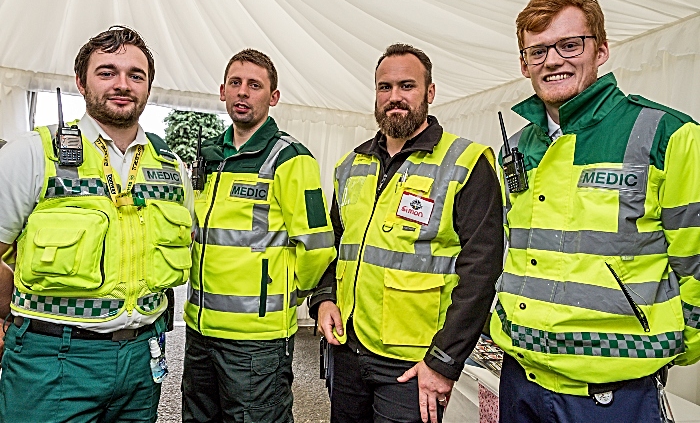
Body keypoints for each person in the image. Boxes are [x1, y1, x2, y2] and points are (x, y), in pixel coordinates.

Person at [491, 0, 700, 422]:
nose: (552, 60)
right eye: (537, 50)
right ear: (524, 63)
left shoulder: (667, 134)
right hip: (520, 378)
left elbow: (695, 258)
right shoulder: (513, 148)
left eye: (569, 44)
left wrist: (675, 343)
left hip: (612, 394)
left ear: (601, 50)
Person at [0, 26, 194, 422]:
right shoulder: (34, 154)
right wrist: (11, 316)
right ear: (81, 82)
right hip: (53, 358)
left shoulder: (172, 169)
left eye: (135, 75)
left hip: (144, 360)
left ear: (148, 87)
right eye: (107, 72)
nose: (122, 84)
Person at [310, 43, 503, 423]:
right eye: (385, 87)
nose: (395, 97)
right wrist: (324, 298)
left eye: (407, 86)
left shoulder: (467, 163)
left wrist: (444, 361)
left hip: (413, 363)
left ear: (429, 93)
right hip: (348, 351)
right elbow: (334, 246)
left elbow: (481, 271)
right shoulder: (351, 165)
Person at [181, 49, 336, 423]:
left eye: (255, 85)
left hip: (256, 340)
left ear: (273, 97)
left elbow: (317, 246)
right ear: (222, 91)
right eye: (236, 83)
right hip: (199, 331)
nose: (243, 92)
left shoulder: (291, 158)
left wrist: (282, 291)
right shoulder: (210, 156)